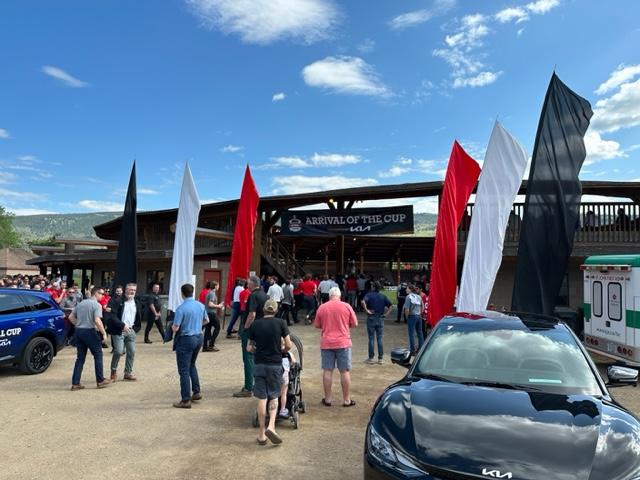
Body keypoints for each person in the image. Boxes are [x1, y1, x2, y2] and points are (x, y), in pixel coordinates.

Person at [247, 298, 292, 446]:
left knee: (261, 398)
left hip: (259, 364)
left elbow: (249, 348)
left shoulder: (255, 324)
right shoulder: (281, 323)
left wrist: (256, 350)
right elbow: (289, 345)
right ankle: (271, 426)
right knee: (273, 396)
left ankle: (261, 434)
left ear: (264, 310)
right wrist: (282, 351)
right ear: (276, 310)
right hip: (274, 364)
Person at [314, 286, 358, 407]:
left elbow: (317, 325)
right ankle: (346, 400)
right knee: (344, 371)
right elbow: (355, 323)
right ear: (339, 296)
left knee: (327, 370)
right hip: (343, 342)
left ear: (329, 296)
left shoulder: (322, 307)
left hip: (327, 342)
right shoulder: (347, 306)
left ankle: (328, 399)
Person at [170, 283, 208, 408]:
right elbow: (206, 320)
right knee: (192, 364)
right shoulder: (200, 305)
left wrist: (171, 327)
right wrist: (197, 326)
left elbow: (175, 328)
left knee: (184, 370)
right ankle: (196, 391)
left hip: (186, 339)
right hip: (198, 337)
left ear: (182, 294)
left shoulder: (181, 308)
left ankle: (185, 400)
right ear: (193, 292)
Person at [69, 286, 111, 390]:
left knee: (80, 358)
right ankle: (100, 380)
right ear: (96, 293)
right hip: (89, 331)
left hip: (79, 331)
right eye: (101, 293)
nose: (102, 296)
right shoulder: (97, 305)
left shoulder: (81, 303)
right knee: (98, 354)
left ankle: (75, 383)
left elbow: (70, 317)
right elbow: (97, 320)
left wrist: (78, 324)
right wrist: (104, 333)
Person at [233, 275, 268, 398]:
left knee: (248, 357)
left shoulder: (253, 295)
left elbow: (251, 314)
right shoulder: (265, 295)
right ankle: (257, 384)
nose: (247, 285)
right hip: (263, 329)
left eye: (248, 283)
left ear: (253, 284)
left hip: (252, 330)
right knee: (258, 357)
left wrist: (246, 328)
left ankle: (248, 387)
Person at [108, 283, 143, 381]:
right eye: (130, 289)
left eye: (134, 290)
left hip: (131, 331)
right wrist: (122, 325)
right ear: (125, 290)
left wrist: (135, 329)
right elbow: (113, 316)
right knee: (118, 351)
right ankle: (113, 371)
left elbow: (138, 317)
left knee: (132, 351)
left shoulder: (137, 302)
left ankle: (127, 373)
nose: (131, 292)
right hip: (119, 330)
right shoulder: (118, 301)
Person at [362, 282, 392, 365]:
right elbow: (390, 305)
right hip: (380, 318)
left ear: (373, 287)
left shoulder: (369, 295)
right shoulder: (382, 296)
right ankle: (380, 358)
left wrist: (367, 310)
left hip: (371, 318)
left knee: (371, 338)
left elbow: (363, 302)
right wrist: (386, 314)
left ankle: (371, 358)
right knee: (380, 339)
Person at [203, 281, 223, 352]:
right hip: (211, 314)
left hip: (208, 313)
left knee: (207, 330)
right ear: (215, 286)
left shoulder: (209, 293)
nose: (218, 287)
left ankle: (205, 347)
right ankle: (211, 345)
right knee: (217, 327)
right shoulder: (212, 294)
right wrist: (219, 306)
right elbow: (210, 304)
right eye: (218, 285)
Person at [404, 285, 424, 354]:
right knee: (420, 333)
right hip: (418, 316)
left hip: (412, 316)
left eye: (407, 289)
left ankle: (412, 350)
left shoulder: (408, 297)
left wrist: (407, 317)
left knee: (411, 334)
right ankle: (421, 349)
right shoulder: (419, 296)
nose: (406, 290)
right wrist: (420, 313)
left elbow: (407, 309)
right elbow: (422, 306)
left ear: (410, 289)